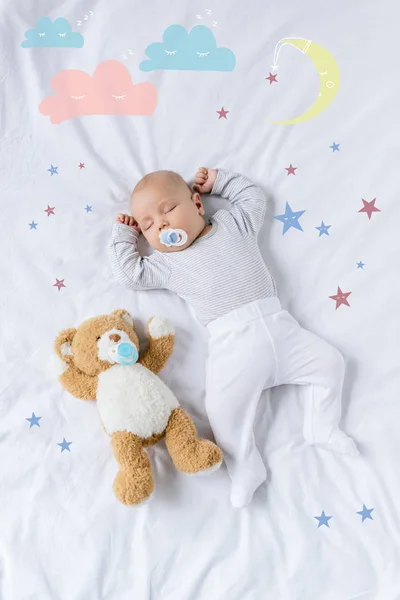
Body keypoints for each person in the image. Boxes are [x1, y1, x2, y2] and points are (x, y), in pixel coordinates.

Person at [109, 167, 358, 508]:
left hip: (282, 329)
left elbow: (254, 198)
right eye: (148, 224)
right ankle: (245, 465)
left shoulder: (232, 225)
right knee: (222, 410)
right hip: (233, 344)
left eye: (167, 209)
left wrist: (220, 181)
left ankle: (323, 426)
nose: (162, 224)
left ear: (198, 204)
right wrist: (124, 234)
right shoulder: (167, 263)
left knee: (331, 363)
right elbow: (128, 273)